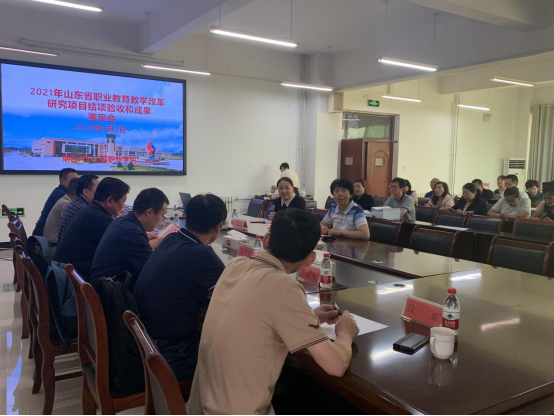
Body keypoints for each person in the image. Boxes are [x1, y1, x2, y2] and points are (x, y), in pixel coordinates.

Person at [187, 209, 360, 415]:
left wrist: (309, 316)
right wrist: (345, 333)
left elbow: (254, 316)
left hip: (199, 407)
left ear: (266, 240)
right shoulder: (284, 286)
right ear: (310, 258)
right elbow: (335, 365)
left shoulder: (236, 265)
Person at [134, 194, 228, 382]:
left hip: (145, 342)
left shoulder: (171, 239)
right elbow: (234, 296)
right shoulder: (202, 254)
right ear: (218, 226)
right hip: (172, 354)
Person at [87, 188, 169, 292]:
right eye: (162, 215)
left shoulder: (122, 222)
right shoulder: (132, 232)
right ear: (149, 212)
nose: (161, 220)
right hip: (109, 294)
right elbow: (153, 270)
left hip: (103, 286)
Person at [55, 178, 130, 278]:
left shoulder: (92, 210)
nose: (123, 206)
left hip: (67, 271)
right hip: (76, 278)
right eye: (123, 201)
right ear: (110, 200)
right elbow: (121, 248)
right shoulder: (99, 218)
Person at [33, 168, 78, 236]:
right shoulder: (61, 195)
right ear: (62, 180)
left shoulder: (60, 191)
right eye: (73, 180)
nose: (77, 183)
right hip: (43, 233)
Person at [43, 178, 78, 261]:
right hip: (54, 250)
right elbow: (74, 230)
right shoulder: (66, 204)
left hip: (53, 246)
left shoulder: (64, 200)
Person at [58, 175, 99, 242]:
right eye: (97, 190)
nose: (100, 194)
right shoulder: (83, 210)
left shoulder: (74, 203)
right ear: (86, 192)